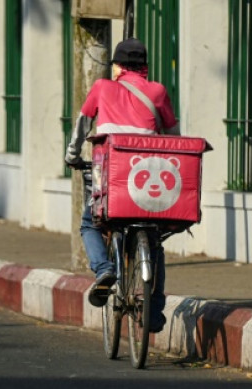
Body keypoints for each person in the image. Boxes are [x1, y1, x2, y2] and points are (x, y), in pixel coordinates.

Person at [64, 37, 179, 333]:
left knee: (90, 224)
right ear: (146, 67)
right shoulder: (158, 91)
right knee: (153, 242)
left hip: (111, 183)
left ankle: (105, 270)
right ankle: (153, 309)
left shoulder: (103, 87)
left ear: (116, 67)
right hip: (146, 185)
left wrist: (72, 155)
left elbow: (82, 124)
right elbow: (174, 136)